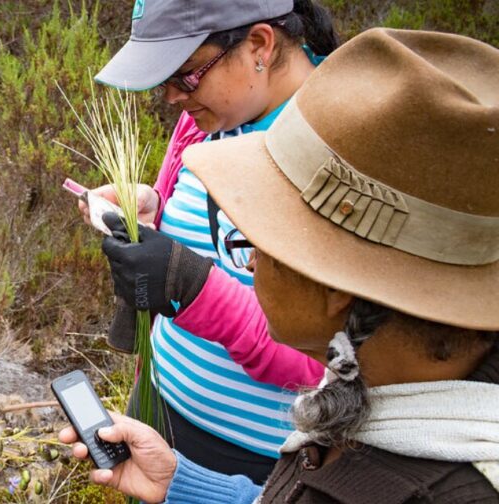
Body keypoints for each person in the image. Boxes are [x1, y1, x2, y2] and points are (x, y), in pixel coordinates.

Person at [62, 28, 499, 503]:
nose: (247, 263)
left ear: (334, 286)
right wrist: (181, 482)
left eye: (256, 242)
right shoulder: (371, 432)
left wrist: (194, 285)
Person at [82, 0, 338, 482]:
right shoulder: (206, 120)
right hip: (158, 407)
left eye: (187, 74)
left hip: (258, 460)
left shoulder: (337, 149)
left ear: (259, 45)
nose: (172, 95)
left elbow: (329, 361)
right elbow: (208, 230)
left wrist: (194, 285)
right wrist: (156, 208)